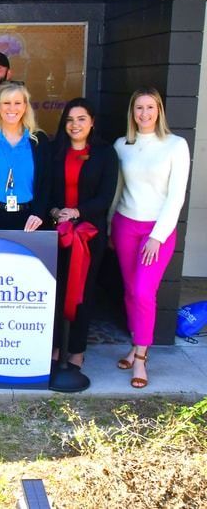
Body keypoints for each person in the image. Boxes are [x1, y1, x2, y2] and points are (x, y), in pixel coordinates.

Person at [110, 87, 190, 389]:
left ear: (159, 111)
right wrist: (108, 226)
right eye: (139, 108)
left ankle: (141, 358)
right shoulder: (123, 145)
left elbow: (176, 196)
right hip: (124, 225)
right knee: (131, 291)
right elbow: (118, 190)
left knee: (144, 291)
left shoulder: (175, 145)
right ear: (132, 112)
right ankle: (136, 344)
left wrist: (157, 236)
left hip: (157, 230)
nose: (144, 114)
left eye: (150, 108)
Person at [49, 98, 118, 385]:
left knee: (81, 292)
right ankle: (54, 348)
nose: (75, 125)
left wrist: (76, 212)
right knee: (56, 291)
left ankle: (76, 351)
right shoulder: (55, 151)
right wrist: (55, 212)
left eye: (81, 119)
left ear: (91, 122)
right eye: (69, 120)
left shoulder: (105, 154)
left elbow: (105, 197)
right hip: (57, 231)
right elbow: (47, 190)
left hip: (89, 234)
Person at [0, 82, 51, 233]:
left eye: (17, 103)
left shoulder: (38, 140)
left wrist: (39, 213)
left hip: (31, 221)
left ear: (25, 106)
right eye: (6, 103)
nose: (12, 108)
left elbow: (47, 181)